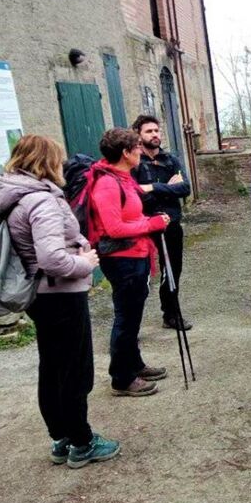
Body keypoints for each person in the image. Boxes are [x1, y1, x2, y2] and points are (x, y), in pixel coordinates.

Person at [0, 135, 120, 468]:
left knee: (53, 367)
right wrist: (85, 263)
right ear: (44, 162)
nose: (62, 165)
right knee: (74, 370)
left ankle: (60, 437)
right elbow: (51, 259)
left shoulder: (16, 196)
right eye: (57, 159)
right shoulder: (42, 201)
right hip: (60, 295)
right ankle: (82, 441)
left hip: (41, 297)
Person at [89, 128, 170, 397]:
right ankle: (122, 379)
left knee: (133, 317)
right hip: (122, 259)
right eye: (136, 146)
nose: (140, 150)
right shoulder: (107, 183)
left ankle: (133, 364)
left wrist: (152, 217)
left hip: (136, 255)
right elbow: (113, 228)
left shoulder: (122, 178)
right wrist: (151, 223)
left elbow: (131, 215)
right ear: (125, 153)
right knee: (125, 318)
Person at [130, 114, 193, 331]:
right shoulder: (134, 162)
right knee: (139, 276)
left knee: (173, 270)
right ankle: (131, 327)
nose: (155, 135)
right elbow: (136, 195)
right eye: (149, 131)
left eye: (156, 131)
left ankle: (171, 314)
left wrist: (155, 187)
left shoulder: (170, 160)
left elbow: (185, 188)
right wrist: (168, 188)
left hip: (171, 226)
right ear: (138, 136)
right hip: (143, 226)